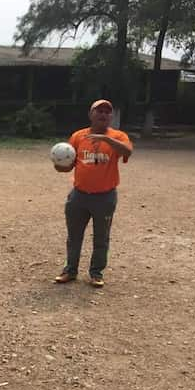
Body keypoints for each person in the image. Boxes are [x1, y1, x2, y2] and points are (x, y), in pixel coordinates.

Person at [53, 99, 133, 288]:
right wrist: (59, 165)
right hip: (79, 196)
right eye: (99, 111)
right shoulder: (78, 136)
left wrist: (106, 139)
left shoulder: (119, 136)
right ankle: (70, 271)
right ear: (91, 115)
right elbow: (69, 165)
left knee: (101, 236)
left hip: (105, 197)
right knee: (74, 236)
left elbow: (128, 151)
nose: (103, 114)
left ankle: (96, 273)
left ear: (111, 116)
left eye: (107, 112)